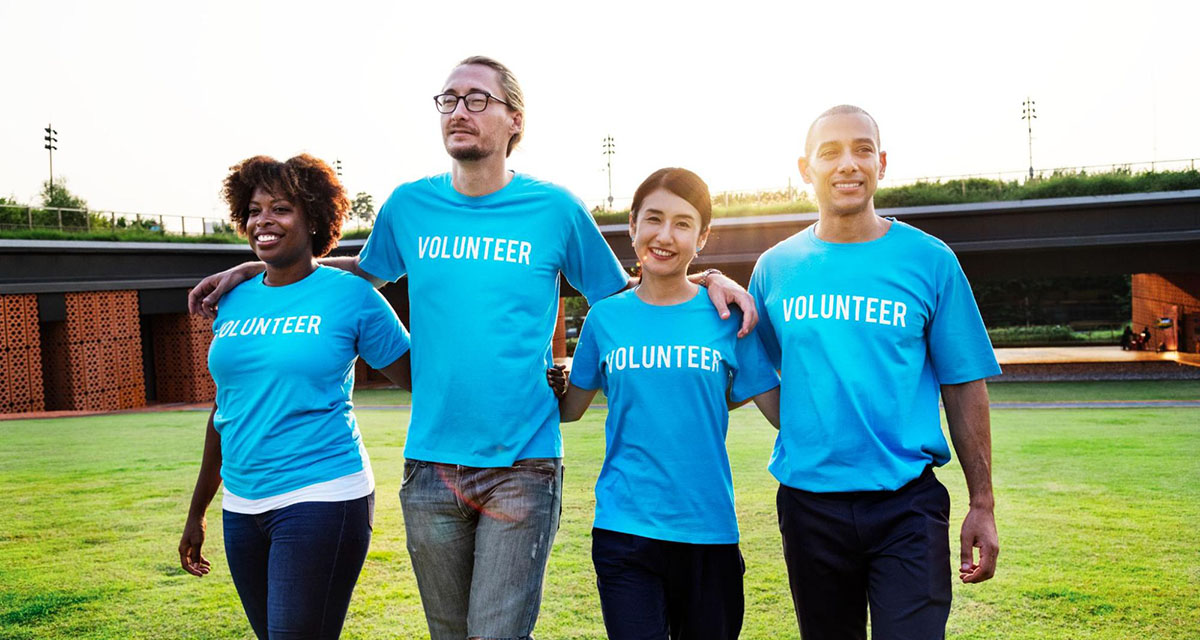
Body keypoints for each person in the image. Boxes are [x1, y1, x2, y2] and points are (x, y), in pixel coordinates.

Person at [185, 56, 758, 640]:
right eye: (450, 99)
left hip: (524, 465)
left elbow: (633, 299)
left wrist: (709, 279)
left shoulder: (556, 210)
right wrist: (253, 272)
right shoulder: (408, 206)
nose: (460, 110)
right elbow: (357, 275)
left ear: (514, 120)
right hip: (430, 466)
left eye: (478, 99)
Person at [748, 105, 1001, 639]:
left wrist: (982, 503)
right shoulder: (774, 268)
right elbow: (755, 369)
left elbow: (963, 384)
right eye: (830, 152)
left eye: (863, 149)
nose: (848, 164)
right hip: (809, 507)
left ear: (881, 163)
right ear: (805, 168)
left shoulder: (930, 260)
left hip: (907, 505)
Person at [178, 154, 412, 640]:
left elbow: (420, 377)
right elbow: (226, 410)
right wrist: (198, 511)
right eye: (255, 209)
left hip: (322, 495)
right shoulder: (234, 298)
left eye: (281, 208)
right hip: (242, 507)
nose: (264, 220)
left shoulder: (352, 296)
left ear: (315, 219)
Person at [557, 168, 780, 640]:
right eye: (653, 219)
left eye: (682, 223)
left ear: (701, 237)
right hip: (625, 529)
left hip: (710, 531)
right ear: (632, 226)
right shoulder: (604, 319)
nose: (664, 235)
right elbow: (570, 408)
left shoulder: (728, 317)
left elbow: (779, 411)